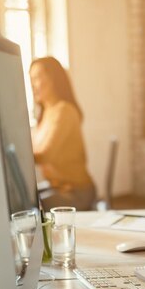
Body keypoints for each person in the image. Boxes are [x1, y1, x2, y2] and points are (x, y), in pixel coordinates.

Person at [29, 56, 96, 211]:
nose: (33, 85)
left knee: (29, 207)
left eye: (37, 77)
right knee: (23, 200)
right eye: (31, 79)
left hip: (77, 192)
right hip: (58, 187)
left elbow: (45, 155)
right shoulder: (46, 113)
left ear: (54, 79)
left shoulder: (64, 111)